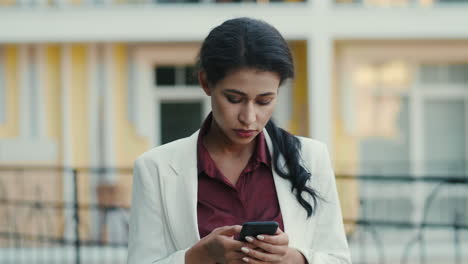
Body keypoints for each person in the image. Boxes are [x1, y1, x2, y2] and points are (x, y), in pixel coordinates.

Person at [127, 17, 351, 264]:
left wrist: (293, 259)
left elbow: (338, 259)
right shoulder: (155, 168)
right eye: (234, 99)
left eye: (265, 101)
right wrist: (196, 258)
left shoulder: (311, 157)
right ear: (205, 83)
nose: (249, 117)